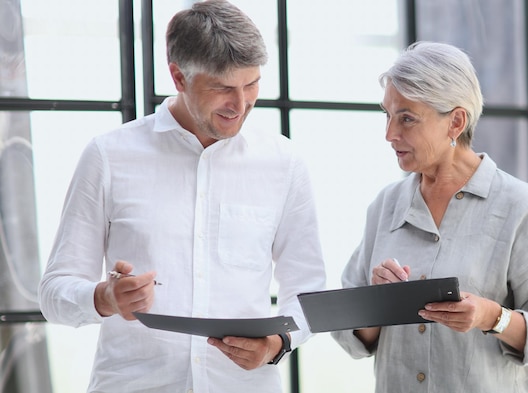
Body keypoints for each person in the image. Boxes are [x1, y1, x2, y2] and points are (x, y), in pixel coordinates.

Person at [38, 1, 326, 392]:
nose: (240, 105)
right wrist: (105, 298)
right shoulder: (108, 156)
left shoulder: (284, 163)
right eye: (223, 88)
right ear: (178, 77)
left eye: (251, 85)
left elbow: (309, 290)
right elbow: (54, 292)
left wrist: (278, 343)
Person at [330, 41, 528, 392]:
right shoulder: (385, 206)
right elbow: (349, 333)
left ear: (456, 122)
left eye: (407, 118)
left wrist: (492, 317)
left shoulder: (518, 205)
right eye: (387, 115)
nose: (389, 134)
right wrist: (378, 301)